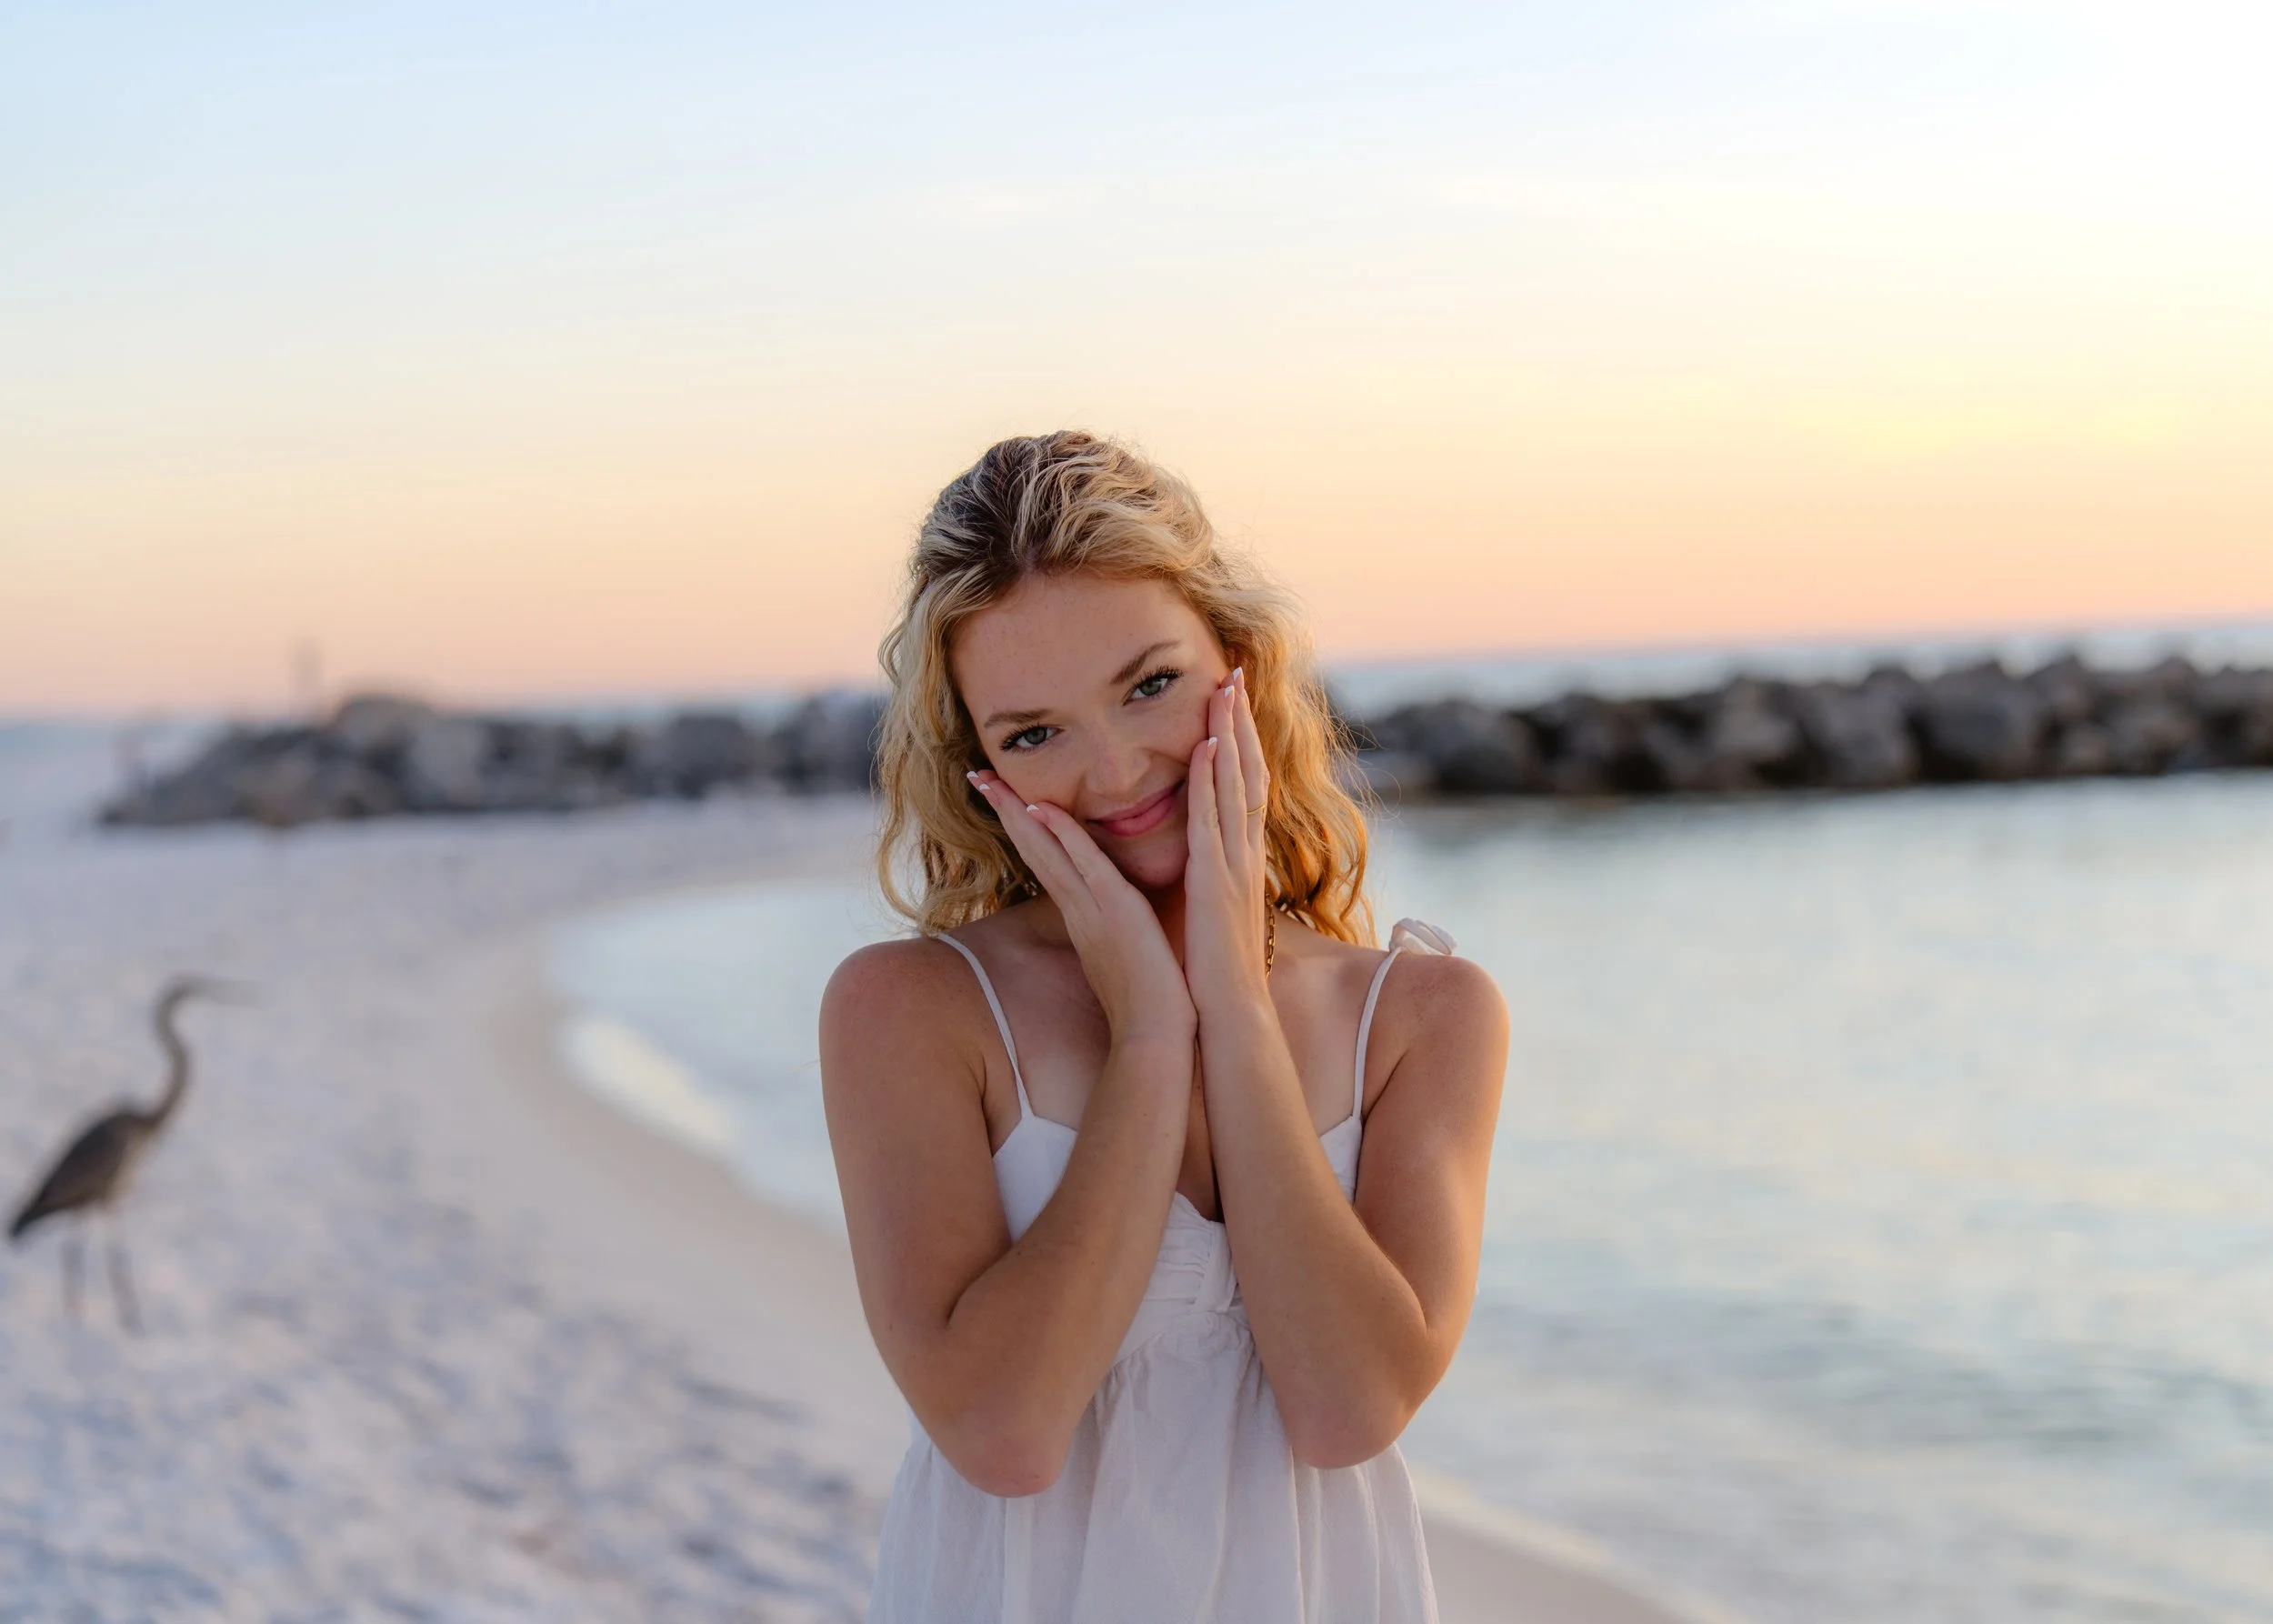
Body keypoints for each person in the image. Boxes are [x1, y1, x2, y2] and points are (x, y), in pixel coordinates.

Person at [821, 431, 1508, 1623]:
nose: (1118, 768)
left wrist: (1230, 1007)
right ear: (977, 762)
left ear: (1237, 659)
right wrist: (1146, 1037)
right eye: (1035, 732)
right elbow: (1006, 1432)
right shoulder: (912, 1010)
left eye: (1149, 685)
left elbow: (1347, 1409)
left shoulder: (1422, 1016)